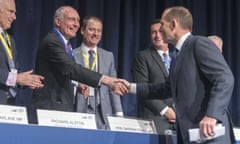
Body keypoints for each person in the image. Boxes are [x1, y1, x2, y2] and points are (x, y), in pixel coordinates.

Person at [128, 6, 235, 143]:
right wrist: (129, 87)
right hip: (190, 135)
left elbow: (224, 78)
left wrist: (211, 115)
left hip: (209, 134)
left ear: (173, 24)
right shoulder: (177, 55)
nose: (160, 30)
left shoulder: (199, 43)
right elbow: (165, 89)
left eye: (162, 25)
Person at [31, 6, 128, 113]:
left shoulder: (65, 44)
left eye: (77, 20)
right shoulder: (52, 42)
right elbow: (70, 68)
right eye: (72, 19)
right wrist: (107, 80)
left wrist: (75, 85)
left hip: (60, 107)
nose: (76, 24)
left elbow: (60, 74)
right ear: (58, 21)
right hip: (49, 108)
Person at [73, 16, 124, 129]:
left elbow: (113, 87)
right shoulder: (72, 55)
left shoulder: (108, 56)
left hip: (103, 114)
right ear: (82, 31)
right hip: (79, 112)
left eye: (99, 31)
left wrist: (119, 115)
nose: (95, 34)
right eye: (91, 29)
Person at [131, 19, 176, 134]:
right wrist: (165, 110)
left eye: (160, 31)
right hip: (156, 119)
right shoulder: (142, 57)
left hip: (180, 121)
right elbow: (142, 89)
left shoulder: (178, 57)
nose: (157, 35)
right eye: (153, 32)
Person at [0, 0, 44, 105]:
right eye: (10, 12)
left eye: (14, 13)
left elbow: (13, 70)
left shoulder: (9, 39)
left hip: (9, 103)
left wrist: (25, 80)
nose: (14, 17)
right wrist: (15, 78)